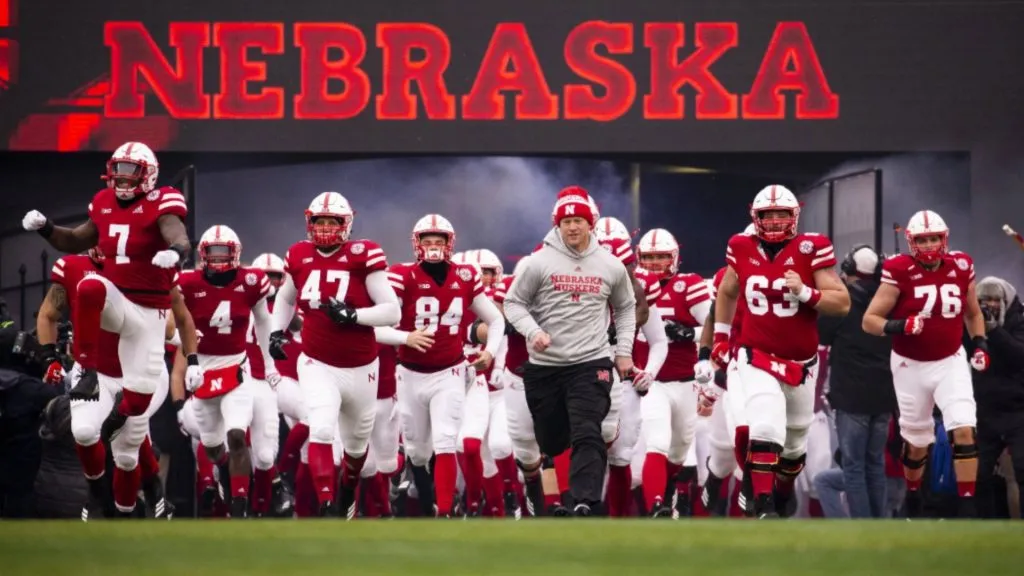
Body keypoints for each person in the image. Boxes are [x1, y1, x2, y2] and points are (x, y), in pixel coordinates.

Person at [21, 141, 203, 517]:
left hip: (148, 313)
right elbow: (73, 241)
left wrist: (179, 251)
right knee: (90, 287)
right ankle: (97, 494)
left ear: (147, 175)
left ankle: (124, 509)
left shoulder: (162, 203)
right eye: (116, 170)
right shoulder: (101, 210)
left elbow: (175, 233)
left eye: (129, 171)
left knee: (132, 427)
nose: (120, 178)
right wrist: (46, 228)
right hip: (115, 307)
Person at [700, 184, 850, 518]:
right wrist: (721, 339)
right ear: (756, 217)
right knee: (764, 428)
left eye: (781, 213)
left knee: (795, 445)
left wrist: (807, 293)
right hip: (756, 356)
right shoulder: (740, 247)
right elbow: (725, 294)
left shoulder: (812, 248)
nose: (774, 221)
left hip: (800, 362)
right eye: (767, 215)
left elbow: (842, 303)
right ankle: (763, 505)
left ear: (794, 215)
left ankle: (780, 492)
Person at [503, 186, 638, 517]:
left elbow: (627, 307)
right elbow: (512, 303)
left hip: (590, 362)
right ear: (556, 225)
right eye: (567, 221)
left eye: (579, 220)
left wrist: (623, 351)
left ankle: (583, 501)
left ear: (590, 223)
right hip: (546, 365)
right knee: (550, 441)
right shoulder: (537, 262)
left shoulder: (610, 264)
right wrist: (532, 331)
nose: (573, 227)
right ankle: (556, 492)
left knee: (588, 428)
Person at [269, 191, 401, 518]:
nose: (325, 227)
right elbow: (286, 299)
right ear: (309, 222)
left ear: (347, 224)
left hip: (361, 367)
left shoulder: (363, 254)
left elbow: (391, 311)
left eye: (333, 221)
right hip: (316, 361)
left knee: (356, 448)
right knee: (322, 428)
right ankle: (327, 503)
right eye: (320, 221)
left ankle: (346, 487)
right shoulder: (298, 255)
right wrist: (276, 329)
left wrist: (356, 316)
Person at [376, 214, 505, 517]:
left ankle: (444, 511)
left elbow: (496, 319)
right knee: (418, 452)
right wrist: (406, 336)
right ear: (416, 244)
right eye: (427, 241)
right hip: (410, 374)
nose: (433, 247)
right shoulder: (400, 275)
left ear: (450, 243)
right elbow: (375, 328)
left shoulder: (464, 275)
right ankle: (418, 487)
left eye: (439, 241)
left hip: (450, 370)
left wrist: (491, 351)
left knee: (446, 440)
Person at [863, 209, 988, 518]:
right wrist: (900, 326)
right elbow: (870, 321)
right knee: (917, 440)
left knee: (964, 428)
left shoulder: (960, 265)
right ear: (911, 242)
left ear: (944, 239)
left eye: (934, 238)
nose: (930, 244)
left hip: (950, 359)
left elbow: (972, 313)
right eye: (923, 239)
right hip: (910, 364)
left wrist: (981, 344)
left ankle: (968, 507)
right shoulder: (899, 270)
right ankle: (914, 498)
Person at [174, 224, 278, 518]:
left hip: (236, 368)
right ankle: (222, 471)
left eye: (224, 253)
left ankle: (240, 504)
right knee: (213, 449)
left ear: (236, 254)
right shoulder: (188, 283)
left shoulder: (252, 281)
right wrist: (189, 359)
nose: (218, 259)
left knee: (236, 435)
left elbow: (264, 323)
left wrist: (269, 364)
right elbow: (176, 325)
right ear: (202, 254)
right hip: (203, 371)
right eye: (213, 253)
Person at [635, 228, 711, 517]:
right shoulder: (631, 285)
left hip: (685, 382)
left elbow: (713, 327)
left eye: (661, 256)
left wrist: (687, 333)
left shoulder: (688, 285)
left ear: (675, 257)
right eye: (650, 257)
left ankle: (666, 493)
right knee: (657, 441)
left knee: (678, 451)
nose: (655, 263)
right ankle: (656, 502)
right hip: (651, 381)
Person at [818, 245, 897, 517]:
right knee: (875, 464)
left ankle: (863, 529)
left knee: (853, 468)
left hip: (851, 396)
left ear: (849, 269)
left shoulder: (845, 302)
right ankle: (880, 525)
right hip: (884, 395)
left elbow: (822, 335)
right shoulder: (890, 300)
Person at [969, 276, 1024, 517]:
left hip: (1018, 410)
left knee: (1023, 471)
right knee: (978, 474)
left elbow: (1018, 356)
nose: (989, 305)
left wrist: (994, 330)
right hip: (985, 411)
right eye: (983, 300)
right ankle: (984, 528)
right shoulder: (971, 322)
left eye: (994, 299)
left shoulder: (1020, 320)